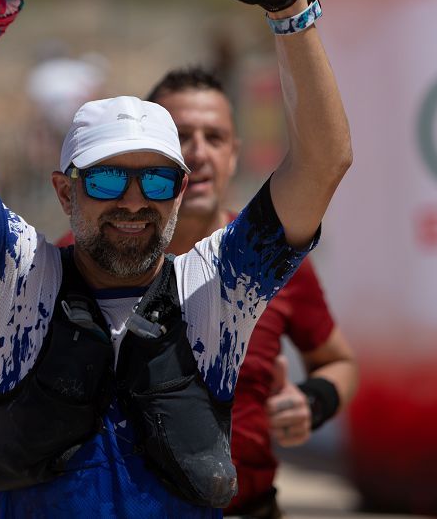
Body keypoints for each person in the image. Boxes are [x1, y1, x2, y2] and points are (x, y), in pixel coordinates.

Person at [0, 0, 352, 518]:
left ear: (179, 193)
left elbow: (324, 161)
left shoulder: (215, 291)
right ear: (64, 190)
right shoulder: (16, 282)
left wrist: (291, 11)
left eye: (158, 180)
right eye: (109, 179)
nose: (135, 202)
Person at [146, 68, 358, 518]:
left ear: (234, 154)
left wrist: (311, 401)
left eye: (215, 137)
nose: (197, 152)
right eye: (180, 135)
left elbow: (339, 362)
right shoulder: (90, 260)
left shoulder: (274, 259)